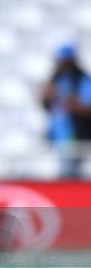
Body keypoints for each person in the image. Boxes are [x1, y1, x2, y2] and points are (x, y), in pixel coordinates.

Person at [42, 44, 91, 178]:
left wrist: (72, 104)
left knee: (71, 175)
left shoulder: (83, 80)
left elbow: (87, 108)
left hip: (77, 137)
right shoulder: (56, 80)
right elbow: (46, 104)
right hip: (58, 137)